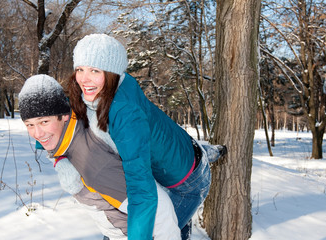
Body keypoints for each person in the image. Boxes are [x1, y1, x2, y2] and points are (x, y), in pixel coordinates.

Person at [68, 34, 227, 240]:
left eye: (94, 70)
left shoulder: (126, 115)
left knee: (156, 232)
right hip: (181, 145)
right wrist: (43, 134)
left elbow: (141, 189)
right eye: (80, 69)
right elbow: (54, 113)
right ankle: (210, 151)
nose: (84, 78)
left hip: (187, 184)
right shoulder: (115, 84)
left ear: (111, 72)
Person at [18, 74, 181, 240]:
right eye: (30, 125)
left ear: (64, 115)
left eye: (44, 122)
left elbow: (160, 211)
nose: (37, 133)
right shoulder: (70, 129)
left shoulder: (94, 164)